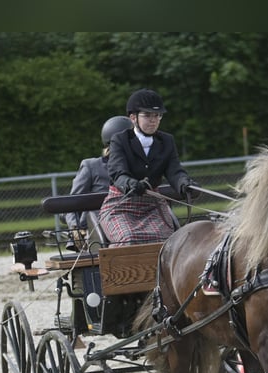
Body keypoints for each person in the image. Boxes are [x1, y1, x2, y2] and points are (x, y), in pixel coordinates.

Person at [98, 88, 198, 246]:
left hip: (152, 205)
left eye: (157, 116)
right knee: (129, 239)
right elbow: (118, 172)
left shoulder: (167, 141)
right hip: (121, 204)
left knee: (167, 242)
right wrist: (131, 184)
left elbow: (174, 171)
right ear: (133, 117)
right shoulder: (119, 140)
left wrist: (184, 183)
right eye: (147, 115)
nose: (153, 120)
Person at [63, 115, 134, 251]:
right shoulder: (91, 166)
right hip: (95, 227)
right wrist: (75, 227)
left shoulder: (139, 167)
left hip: (131, 220)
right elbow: (72, 202)